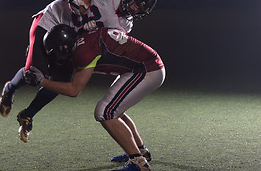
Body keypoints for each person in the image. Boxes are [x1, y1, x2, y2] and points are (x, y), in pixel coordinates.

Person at [0, 0, 158, 144]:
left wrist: (88, 32)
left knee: (60, 83)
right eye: (136, 3)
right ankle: (10, 90)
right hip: (52, 20)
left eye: (139, 9)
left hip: (72, 36)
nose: (134, 9)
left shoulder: (124, 27)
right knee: (32, 73)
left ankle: (27, 115)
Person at [25, 24, 165, 171]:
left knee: (105, 112)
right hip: (143, 66)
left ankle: (138, 163)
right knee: (115, 110)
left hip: (147, 69)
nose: (55, 57)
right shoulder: (82, 39)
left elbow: (74, 90)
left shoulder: (83, 51)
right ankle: (141, 151)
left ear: (64, 47)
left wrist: (42, 81)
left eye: (56, 53)